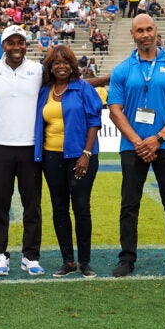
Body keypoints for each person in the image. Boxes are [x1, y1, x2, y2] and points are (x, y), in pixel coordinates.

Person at [108, 14, 165, 278]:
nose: (145, 34)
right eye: (140, 31)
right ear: (132, 35)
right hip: (132, 147)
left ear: (156, 31)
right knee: (129, 204)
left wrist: (157, 139)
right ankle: (127, 258)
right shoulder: (122, 69)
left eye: (149, 29)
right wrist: (137, 141)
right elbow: (115, 110)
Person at [0, 25, 44, 277]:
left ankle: (30, 255)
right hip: (0, 147)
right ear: (3, 45)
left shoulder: (37, 70)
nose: (16, 47)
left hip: (30, 147)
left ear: (25, 45)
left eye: (21, 42)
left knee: (32, 205)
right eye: (11, 42)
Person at [35, 45, 102, 278]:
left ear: (72, 66)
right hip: (51, 156)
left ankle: (85, 262)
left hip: (80, 156)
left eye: (65, 62)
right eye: (56, 63)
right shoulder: (44, 91)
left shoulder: (83, 88)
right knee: (59, 207)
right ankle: (68, 261)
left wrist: (86, 153)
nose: (61, 66)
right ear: (50, 67)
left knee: (81, 207)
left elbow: (94, 122)